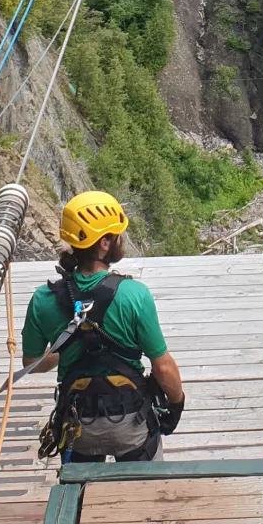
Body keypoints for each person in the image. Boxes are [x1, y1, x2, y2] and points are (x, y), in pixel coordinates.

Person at [22, 190, 186, 462]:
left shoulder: (43, 298)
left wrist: (66, 347)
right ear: (105, 243)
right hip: (131, 420)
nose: (122, 239)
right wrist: (177, 405)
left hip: (78, 425)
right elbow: (163, 367)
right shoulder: (134, 294)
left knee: (79, 476)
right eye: (118, 234)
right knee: (148, 478)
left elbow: (32, 363)